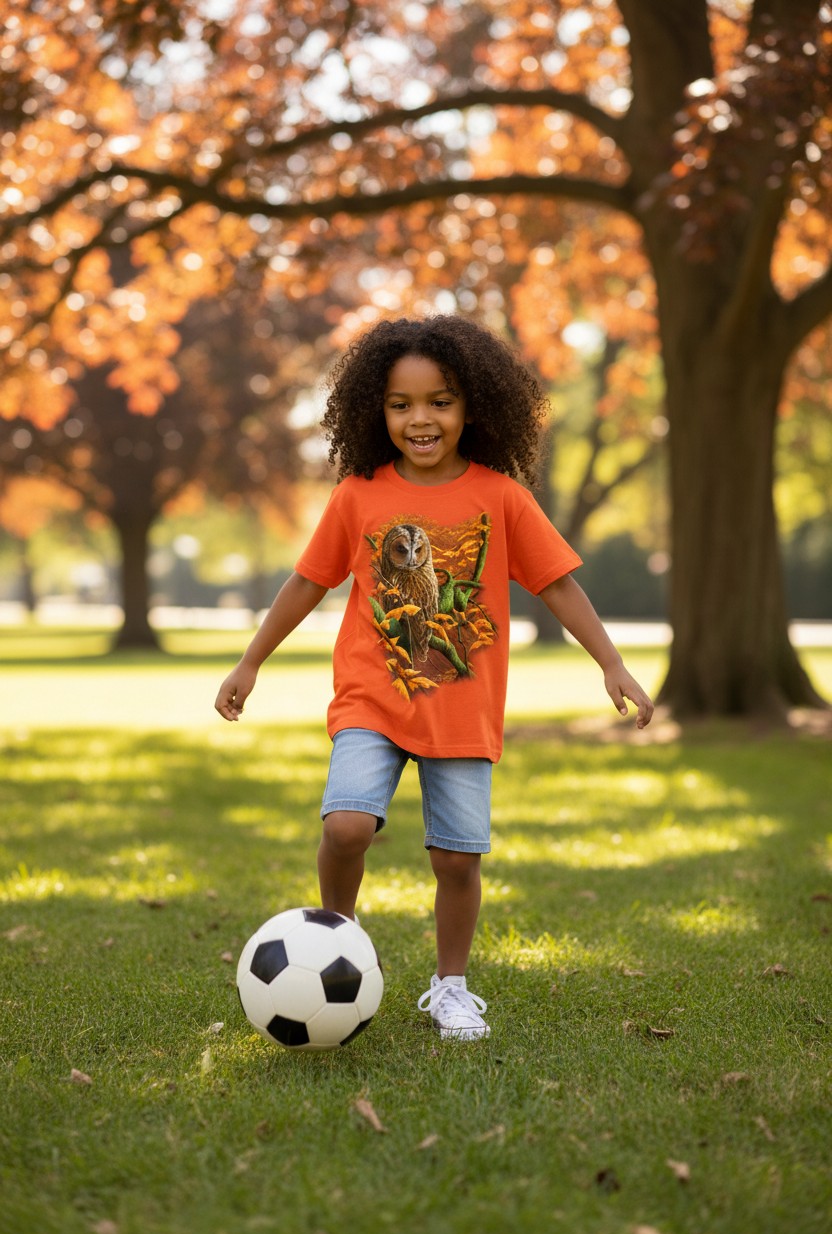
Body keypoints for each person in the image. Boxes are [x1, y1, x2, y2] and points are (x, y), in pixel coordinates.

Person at [215, 315, 654, 1041]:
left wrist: (611, 663)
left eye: (439, 402)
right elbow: (307, 581)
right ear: (376, 411)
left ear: (473, 407)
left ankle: (451, 986)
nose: (420, 419)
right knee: (347, 826)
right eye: (401, 404)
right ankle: (336, 944)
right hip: (372, 699)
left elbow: (557, 584)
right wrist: (250, 660)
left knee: (455, 859)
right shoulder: (358, 494)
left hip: (462, 712)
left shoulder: (501, 497)